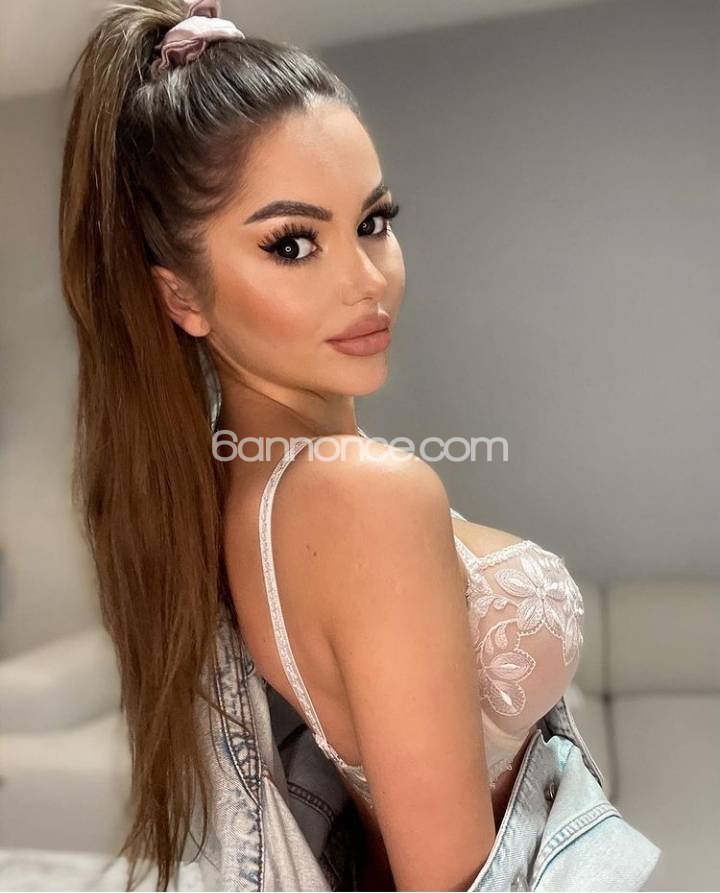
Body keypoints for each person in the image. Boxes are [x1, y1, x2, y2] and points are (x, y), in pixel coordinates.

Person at [58, 1, 661, 890]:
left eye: (373, 220)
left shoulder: (236, 484)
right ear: (181, 295)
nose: (366, 278)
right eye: (292, 243)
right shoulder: (366, 496)